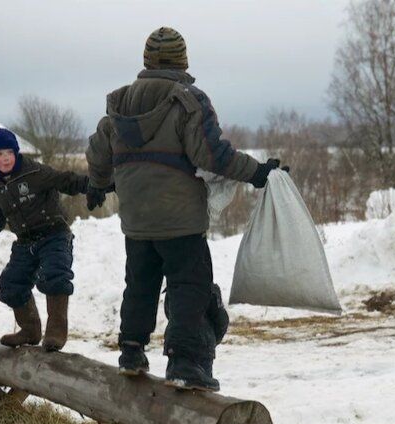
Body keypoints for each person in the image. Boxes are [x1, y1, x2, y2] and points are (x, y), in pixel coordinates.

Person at [85, 26, 286, 391]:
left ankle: (131, 351)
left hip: (136, 219)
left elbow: (98, 151)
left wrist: (98, 185)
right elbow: (212, 155)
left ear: (146, 60)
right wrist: (257, 172)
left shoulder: (120, 104)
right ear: (183, 60)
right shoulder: (188, 101)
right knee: (188, 285)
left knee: (140, 283)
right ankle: (185, 362)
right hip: (180, 219)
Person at [0, 127, 91, 352]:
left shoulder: (34, 172)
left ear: (16, 152)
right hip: (25, 242)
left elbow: (66, 181)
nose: (5, 158)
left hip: (54, 235)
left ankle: (56, 332)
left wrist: (96, 186)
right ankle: (30, 330)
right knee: (11, 285)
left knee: (54, 276)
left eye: (9, 153)